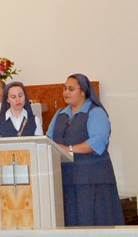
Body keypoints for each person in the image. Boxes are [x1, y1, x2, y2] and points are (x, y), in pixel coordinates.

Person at [46, 73, 124, 226]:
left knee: (92, 221)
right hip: (65, 179)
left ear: (83, 92)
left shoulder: (96, 113)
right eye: (64, 88)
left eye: (71, 89)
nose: (66, 92)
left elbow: (98, 141)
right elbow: (48, 140)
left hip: (91, 179)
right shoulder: (60, 114)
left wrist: (68, 149)